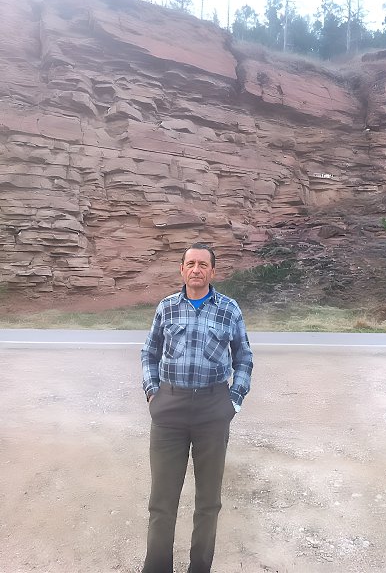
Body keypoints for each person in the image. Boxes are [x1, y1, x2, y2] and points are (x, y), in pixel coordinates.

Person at [141, 242, 253, 573]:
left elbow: (244, 357)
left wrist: (234, 401)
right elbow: (149, 352)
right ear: (181, 269)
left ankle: (199, 568)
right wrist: (152, 393)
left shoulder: (229, 309)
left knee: (208, 502)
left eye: (203, 264)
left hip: (212, 409)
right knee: (161, 502)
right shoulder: (167, 307)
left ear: (212, 272)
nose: (196, 269)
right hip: (169, 409)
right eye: (190, 263)